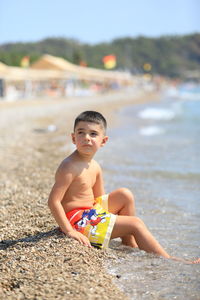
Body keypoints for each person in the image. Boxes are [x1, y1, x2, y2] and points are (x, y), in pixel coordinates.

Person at [48, 110, 199, 263]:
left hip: (89, 212)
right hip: (76, 221)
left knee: (124, 194)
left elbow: (100, 200)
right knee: (136, 223)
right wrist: (69, 231)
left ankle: (129, 242)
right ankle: (169, 260)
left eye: (93, 134)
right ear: (73, 138)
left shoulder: (95, 166)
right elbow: (54, 201)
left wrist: (113, 220)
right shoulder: (69, 166)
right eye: (81, 133)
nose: (87, 138)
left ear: (103, 141)